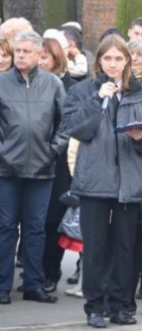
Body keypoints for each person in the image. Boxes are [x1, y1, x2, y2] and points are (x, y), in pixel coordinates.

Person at [63, 35, 142, 328]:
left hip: (129, 181)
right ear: (99, 61)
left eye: (119, 59)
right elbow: (74, 128)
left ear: (127, 61)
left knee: (125, 247)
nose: (113, 64)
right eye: (107, 58)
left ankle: (121, 305)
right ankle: (95, 306)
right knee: (95, 247)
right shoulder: (84, 91)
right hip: (95, 180)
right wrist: (99, 101)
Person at [0, 31, 68, 306]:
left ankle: (34, 284)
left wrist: (54, 149)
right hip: (6, 168)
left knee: (36, 229)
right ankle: (3, 285)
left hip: (42, 167)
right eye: (18, 51)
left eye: (27, 51)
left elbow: (66, 121)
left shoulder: (53, 84)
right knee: (5, 227)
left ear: (40, 54)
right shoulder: (2, 83)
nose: (21, 56)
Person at [38, 37, 78, 294]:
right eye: (38, 56)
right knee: (36, 222)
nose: (40, 61)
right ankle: (36, 271)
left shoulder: (69, 87)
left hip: (59, 161)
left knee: (53, 219)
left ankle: (51, 271)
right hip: (32, 160)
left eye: (45, 57)